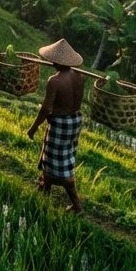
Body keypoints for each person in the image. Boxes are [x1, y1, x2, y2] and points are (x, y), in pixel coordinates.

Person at [27, 38, 86, 213]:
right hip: (75, 121)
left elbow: (46, 109)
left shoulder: (55, 81)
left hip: (60, 123)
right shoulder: (79, 77)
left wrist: (34, 127)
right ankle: (45, 189)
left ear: (56, 61)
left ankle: (77, 206)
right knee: (62, 155)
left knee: (58, 164)